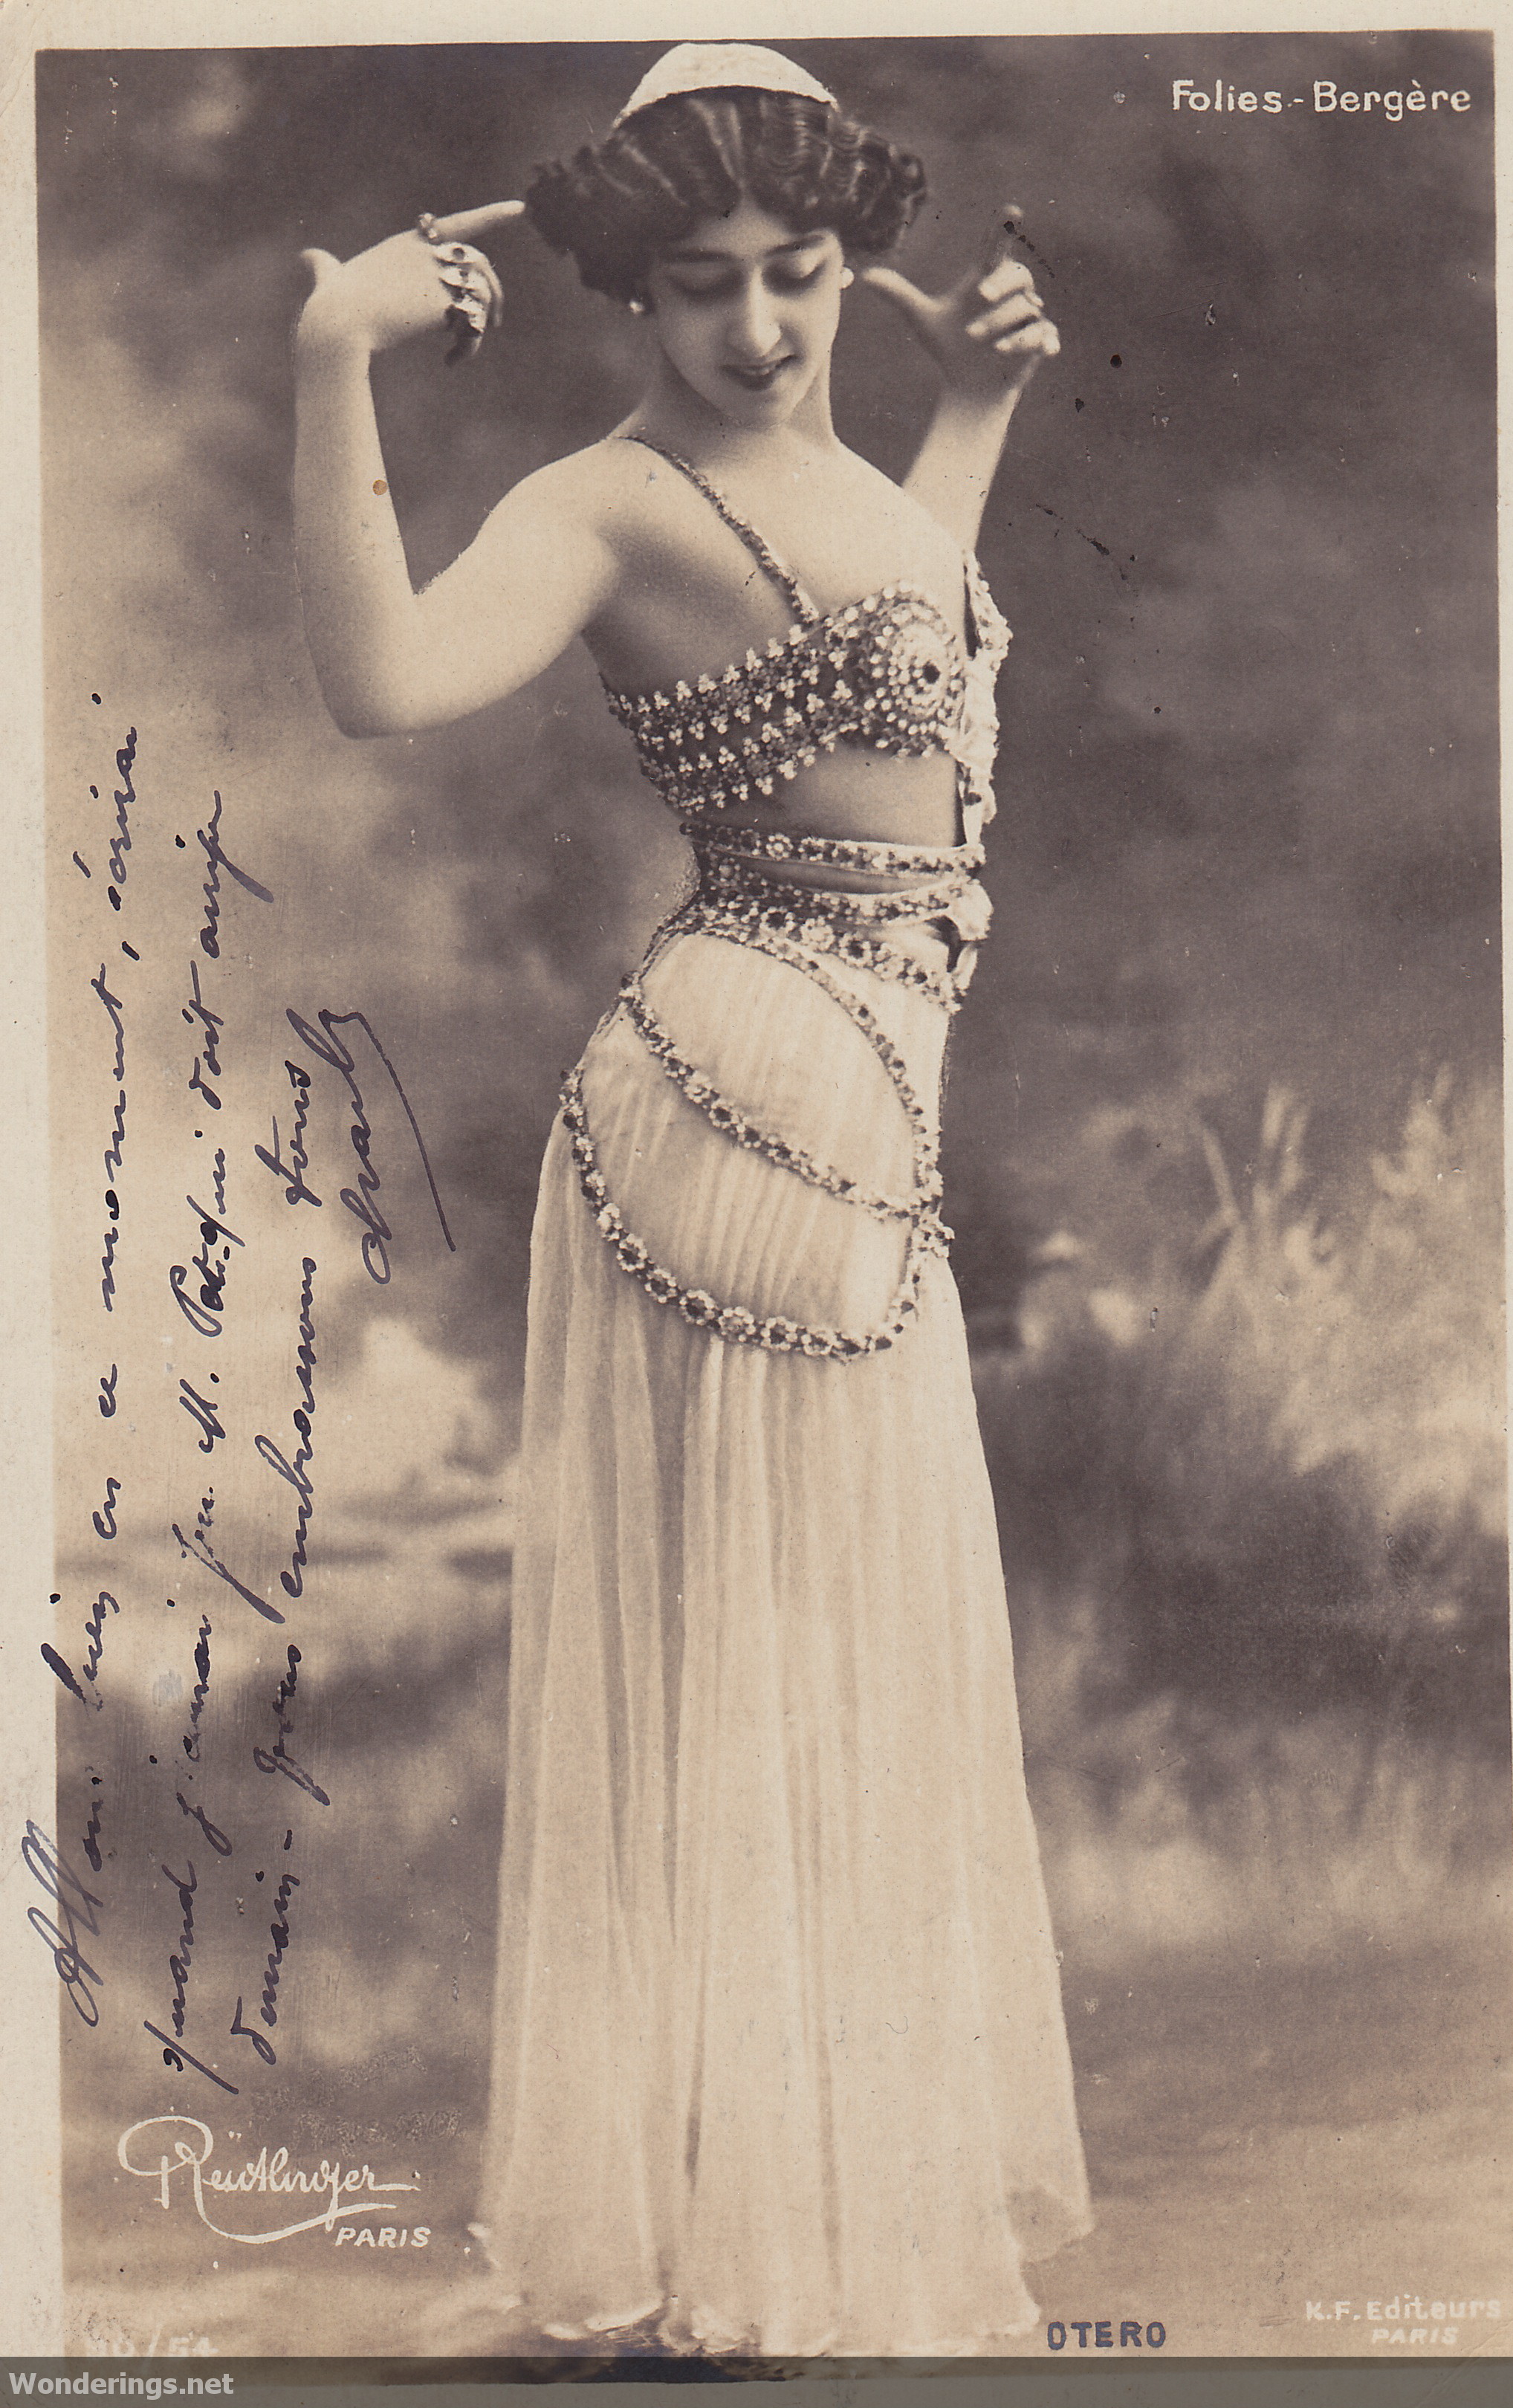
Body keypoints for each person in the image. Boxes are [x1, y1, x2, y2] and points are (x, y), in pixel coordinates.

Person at [293, 40, 1092, 2358]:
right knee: (778, 1671)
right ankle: (770, 2246)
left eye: (799, 272)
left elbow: (894, 648)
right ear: (632, 296)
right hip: (745, 1100)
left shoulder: (854, 482)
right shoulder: (602, 504)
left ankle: (780, 2221)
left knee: (819, 1661)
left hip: (850, 1093)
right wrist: (334, 360)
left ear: (852, 263)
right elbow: (380, 682)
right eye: (703, 284)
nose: (756, 326)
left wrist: (980, 409)